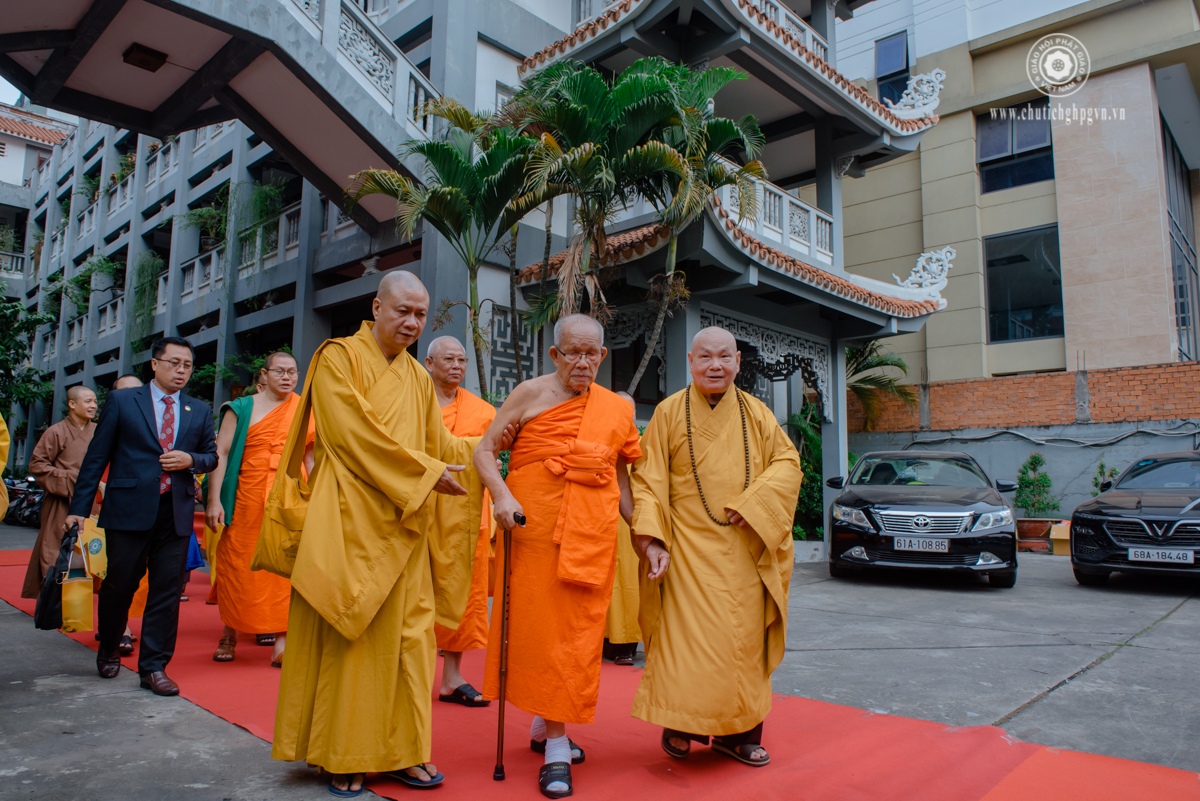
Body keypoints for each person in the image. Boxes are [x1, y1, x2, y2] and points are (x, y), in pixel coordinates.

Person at [272, 271, 492, 797]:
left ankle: (403, 752)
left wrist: (495, 441)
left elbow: (441, 444)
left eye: (420, 315)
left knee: (411, 645)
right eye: (403, 312)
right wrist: (422, 475)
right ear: (376, 306)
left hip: (404, 525)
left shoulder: (418, 379)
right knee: (354, 640)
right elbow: (352, 435)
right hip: (347, 520)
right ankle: (342, 752)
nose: (412, 323)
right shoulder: (336, 359)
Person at [475, 314, 648, 799]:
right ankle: (556, 744)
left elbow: (623, 480)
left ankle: (542, 721)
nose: (582, 362)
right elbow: (484, 452)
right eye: (572, 352)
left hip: (591, 534)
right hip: (532, 531)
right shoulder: (529, 394)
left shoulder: (615, 408)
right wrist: (502, 497)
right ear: (555, 355)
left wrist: (648, 533)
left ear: (602, 356)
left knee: (576, 635)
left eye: (591, 353)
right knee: (542, 633)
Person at [629, 326, 803, 768]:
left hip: (745, 551)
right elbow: (648, 482)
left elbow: (787, 463)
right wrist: (653, 541)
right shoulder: (669, 413)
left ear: (738, 362)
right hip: (686, 550)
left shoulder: (758, 414)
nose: (715, 366)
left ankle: (740, 736)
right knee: (688, 646)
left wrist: (756, 505)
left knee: (743, 649)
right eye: (705, 357)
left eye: (725, 357)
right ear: (690, 361)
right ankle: (682, 724)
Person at [65, 337, 218, 697]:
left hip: (176, 512)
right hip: (128, 510)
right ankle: (109, 647)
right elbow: (95, 458)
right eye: (174, 363)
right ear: (155, 363)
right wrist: (78, 510)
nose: (181, 371)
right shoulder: (122, 401)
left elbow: (210, 455)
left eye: (187, 365)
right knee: (120, 586)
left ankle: (153, 667)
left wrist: (191, 461)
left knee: (166, 592)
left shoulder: (199, 409)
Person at [205, 352, 308, 667]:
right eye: (280, 371)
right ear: (265, 373)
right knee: (238, 563)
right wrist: (213, 500)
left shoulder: (304, 407)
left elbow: (311, 456)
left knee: (283, 569)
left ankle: (281, 641)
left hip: (288, 498)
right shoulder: (242, 408)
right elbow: (220, 453)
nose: (287, 377)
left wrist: (314, 496)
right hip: (247, 497)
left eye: (293, 371)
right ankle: (229, 634)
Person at [424, 335, 495, 707]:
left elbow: (492, 459)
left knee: (465, 594)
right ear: (429, 364)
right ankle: (414, 673)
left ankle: (452, 678)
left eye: (462, 360)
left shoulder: (483, 412)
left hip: (468, 513)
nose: (456, 366)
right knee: (417, 592)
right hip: (422, 509)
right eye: (448, 359)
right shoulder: (413, 405)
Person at [22, 386, 98, 600]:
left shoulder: (99, 431)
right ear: (72, 404)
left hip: (94, 499)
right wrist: (74, 479)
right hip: (62, 500)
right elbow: (37, 466)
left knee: (90, 548)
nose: (93, 406)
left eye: (94, 401)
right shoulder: (56, 431)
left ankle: (81, 596)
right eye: (88, 401)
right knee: (54, 546)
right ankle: (52, 595)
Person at [604, 392, 641, 666]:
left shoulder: (644, 444)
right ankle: (604, 640)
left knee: (631, 583)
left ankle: (627, 643)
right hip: (601, 518)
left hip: (632, 519)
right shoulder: (599, 440)